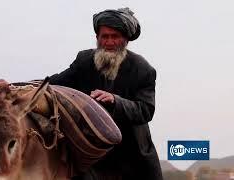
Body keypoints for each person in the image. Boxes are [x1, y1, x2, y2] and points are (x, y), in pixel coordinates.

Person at [48, 7, 163, 180]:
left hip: (132, 157)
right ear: (97, 38)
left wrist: (116, 101)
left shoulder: (143, 69)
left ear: (125, 39)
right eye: (105, 36)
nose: (109, 42)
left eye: (115, 37)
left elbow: (146, 110)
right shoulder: (84, 61)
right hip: (93, 155)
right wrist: (14, 86)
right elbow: (54, 83)